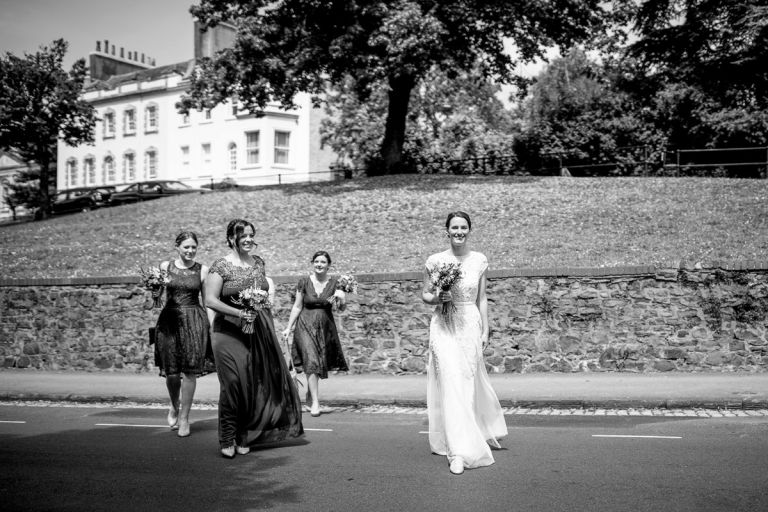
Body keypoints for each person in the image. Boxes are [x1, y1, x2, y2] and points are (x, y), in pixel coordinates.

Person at [204, 219, 304, 458]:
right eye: (243, 235)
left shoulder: (258, 263)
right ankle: (227, 436)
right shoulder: (220, 266)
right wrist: (240, 312)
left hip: (255, 331)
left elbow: (261, 293)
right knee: (232, 385)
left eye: (251, 235)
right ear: (231, 239)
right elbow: (210, 300)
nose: (248, 239)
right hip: (227, 332)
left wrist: (261, 305)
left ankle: (242, 435)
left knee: (249, 384)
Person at [421, 211, 507, 475]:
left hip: (469, 324)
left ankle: (468, 433)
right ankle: (458, 451)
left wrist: (486, 329)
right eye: (454, 227)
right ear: (446, 231)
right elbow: (425, 294)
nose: (459, 231)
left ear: (469, 230)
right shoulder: (435, 260)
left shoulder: (479, 260)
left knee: (466, 383)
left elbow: (482, 298)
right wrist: (439, 297)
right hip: (443, 327)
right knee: (450, 381)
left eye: (463, 227)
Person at [153, 231, 211, 438]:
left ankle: (185, 417)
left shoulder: (203, 270)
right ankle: (174, 405)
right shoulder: (164, 267)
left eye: (193, 247)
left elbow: (208, 301)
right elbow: (157, 299)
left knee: (189, 372)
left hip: (194, 320)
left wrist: (211, 325)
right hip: (169, 321)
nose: (190, 251)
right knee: (171, 372)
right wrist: (153, 289)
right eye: (186, 247)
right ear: (177, 247)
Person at [282, 251, 349, 417]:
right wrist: (288, 327)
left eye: (323, 262)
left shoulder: (335, 283)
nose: (319, 265)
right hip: (305, 325)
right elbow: (297, 306)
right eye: (317, 261)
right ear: (312, 263)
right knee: (311, 361)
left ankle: (310, 397)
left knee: (319, 362)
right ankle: (316, 404)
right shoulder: (304, 282)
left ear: (328, 265)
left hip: (325, 327)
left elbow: (340, 308)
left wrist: (342, 298)